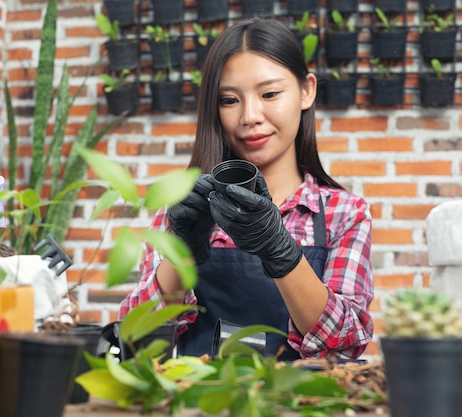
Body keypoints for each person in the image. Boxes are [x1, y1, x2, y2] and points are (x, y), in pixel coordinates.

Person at [119, 18, 374, 360]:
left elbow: (346, 344)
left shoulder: (344, 213)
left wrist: (280, 250)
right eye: (228, 100)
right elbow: (137, 339)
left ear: (306, 90)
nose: (249, 116)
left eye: (269, 94)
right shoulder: (184, 208)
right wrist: (182, 252)